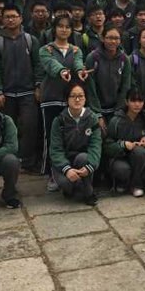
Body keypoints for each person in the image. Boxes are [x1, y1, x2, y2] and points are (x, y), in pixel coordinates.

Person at [0, 4, 43, 173]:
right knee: (7, 129)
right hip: (6, 94)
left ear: (21, 18)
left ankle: (28, 161)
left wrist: (38, 86)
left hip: (28, 92)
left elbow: (38, 65)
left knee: (30, 126)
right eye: (7, 17)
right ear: (3, 19)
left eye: (14, 16)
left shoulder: (30, 40)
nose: (11, 20)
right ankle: (9, 161)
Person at [39, 15, 87, 183]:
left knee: (69, 136)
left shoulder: (76, 50)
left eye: (67, 27)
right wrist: (62, 71)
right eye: (60, 26)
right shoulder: (46, 49)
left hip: (70, 100)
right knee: (51, 137)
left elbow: (78, 63)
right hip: (50, 98)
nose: (64, 30)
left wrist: (80, 71)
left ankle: (68, 171)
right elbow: (50, 64)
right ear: (54, 29)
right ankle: (51, 174)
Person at [50, 83, 101, 206]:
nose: (77, 99)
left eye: (80, 96)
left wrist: (90, 166)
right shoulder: (59, 121)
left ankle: (89, 192)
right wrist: (67, 169)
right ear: (67, 99)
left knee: (83, 158)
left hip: (83, 161)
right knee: (66, 184)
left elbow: (96, 146)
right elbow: (56, 150)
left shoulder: (92, 118)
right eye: (73, 96)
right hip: (65, 162)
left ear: (85, 98)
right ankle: (73, 188)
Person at [105, 89, 145, 197]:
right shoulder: (116, 121)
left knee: (141, 152)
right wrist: (123, 145)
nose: (137, 104)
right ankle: (122, 182)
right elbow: (107, 146)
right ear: (126, 102)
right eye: (133, 101)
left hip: (137, 157)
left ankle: (136, 185)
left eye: (140, 101)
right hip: (119, 157)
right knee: (122, 169)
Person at [86, 27, 131, 129]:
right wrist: (97, 114)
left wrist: (119, 111)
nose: (113, 41)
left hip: (116, 110)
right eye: (109, 38)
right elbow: (90, 88)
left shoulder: (124, 59)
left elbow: (125, 87)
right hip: (96, 109)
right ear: (102, 38)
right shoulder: (93, 58)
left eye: (116, 38)